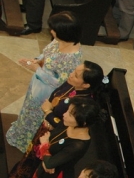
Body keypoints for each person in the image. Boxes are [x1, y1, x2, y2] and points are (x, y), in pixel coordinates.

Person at [9, 61, 105, 178]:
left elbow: (69, 124)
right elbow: (55, 95)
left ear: (86, 85)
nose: (71, 75)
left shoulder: (83, 105)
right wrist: (49, 109)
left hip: (54, 135)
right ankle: (16, 175)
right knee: (29, 156)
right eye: (74, 71)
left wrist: (48, 113)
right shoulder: (71, 83)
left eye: (76, 75)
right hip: (47, 129)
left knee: (35, 163)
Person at [13, 98, 101, 178]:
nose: (64, 114)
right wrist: (47, 158)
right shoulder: (68, 124)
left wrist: (45, 146)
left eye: (70, 114)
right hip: (47, 169)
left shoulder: (78, 145)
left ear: (82, 122)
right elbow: (51, 147)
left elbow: (49, 164)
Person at [7, 11, 83, 153]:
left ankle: (27, 143)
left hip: (46, 92)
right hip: (38, 84)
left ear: (65, 32)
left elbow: (60, 83)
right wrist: (37, 60)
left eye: (54, 29)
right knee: (27, 110)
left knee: (35, 115)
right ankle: (20, 133)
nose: (51, 31)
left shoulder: (72, 59)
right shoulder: (59, 40)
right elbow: (47, 53)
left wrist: (37, 69)